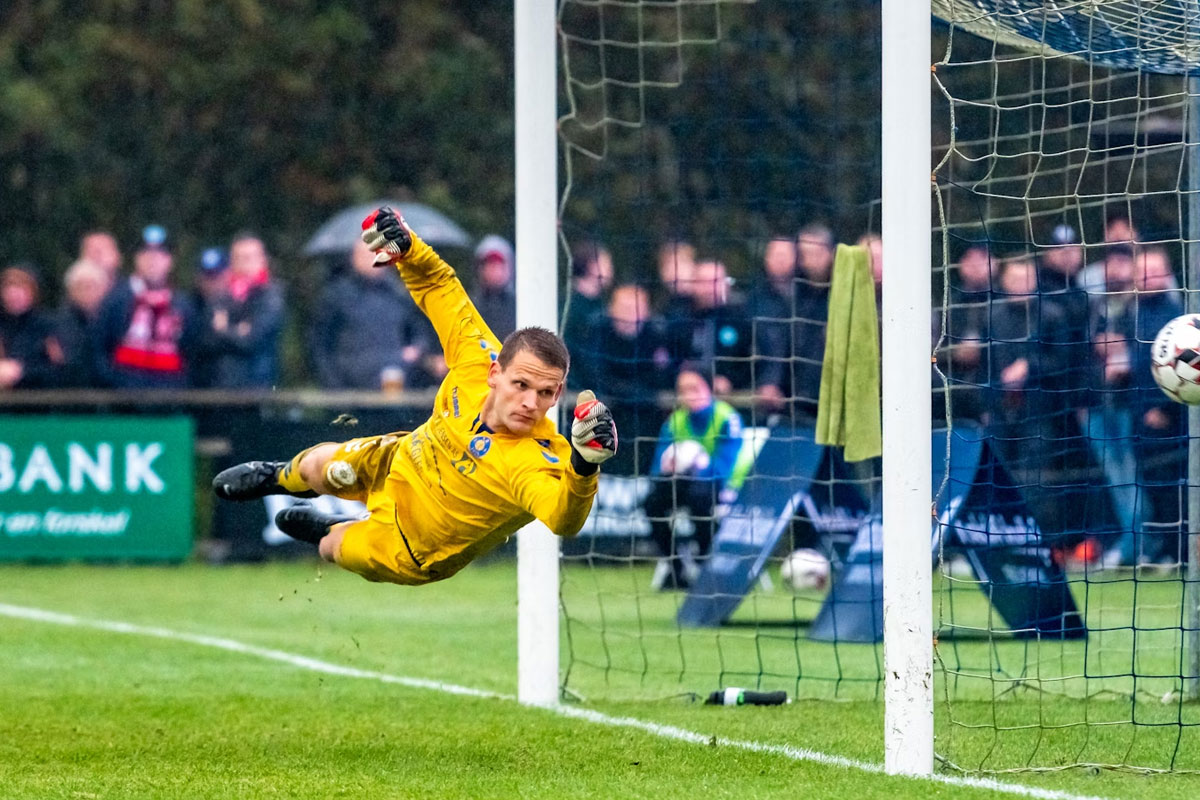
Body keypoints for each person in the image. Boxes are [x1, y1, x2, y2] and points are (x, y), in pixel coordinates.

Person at [213, 207, 618, 586]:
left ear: (558, 394)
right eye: (521, 386)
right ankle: (276, 475)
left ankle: (327, 530)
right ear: (496, 372)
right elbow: (442, 287)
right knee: (321, 464)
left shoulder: (537, 459)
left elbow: (563, 518)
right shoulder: (477, 358)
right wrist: (407, 246)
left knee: (336, 548)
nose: (531, 402)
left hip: (411, 545)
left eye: (546, 393)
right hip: (400, 459)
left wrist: (583, 468)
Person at [645, 365, 750, 589]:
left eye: (694, 387)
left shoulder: (727, 418)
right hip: (684, 482)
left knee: (699, 497)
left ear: (708, 388)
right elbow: (657, 467)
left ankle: (705, 563)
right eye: (682, 389)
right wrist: (669, 465)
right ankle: (676, 567)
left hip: (722, 485)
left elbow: (726, 466)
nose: (688, 394)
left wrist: (699, 466)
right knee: (651, 502)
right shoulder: (675, 421)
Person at [571, 283, 675, 472]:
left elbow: (661, 378)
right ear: (611, 309)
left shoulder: (658, 334)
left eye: (636, 308)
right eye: (625, 308)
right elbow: (590, 373)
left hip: (645, 422)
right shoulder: (596, 331)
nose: (630, 315)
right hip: (603, 421)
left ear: (646, 312)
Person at [311, 237, 433, 391]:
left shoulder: (398, 293)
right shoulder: (337, 294)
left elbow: (418, 331)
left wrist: (416, 350)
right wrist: (333, 384)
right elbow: (320, 343)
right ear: (353, 258)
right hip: (350, 389)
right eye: (366, 255)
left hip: (395, 385)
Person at [93, 226, 197, 388]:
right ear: (136, 259)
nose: (152, 260)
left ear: (170, 261)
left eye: (160, 255)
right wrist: (114, 384)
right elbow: (98, 347)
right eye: (146, 254)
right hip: (123, 399)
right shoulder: (117, 298)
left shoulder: (182, 303)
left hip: (169, 398)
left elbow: (191, 352)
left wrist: (179, 387)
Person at [196, 232, 285, 389]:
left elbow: (252, 340)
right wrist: (238, 331)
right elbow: (206, 339)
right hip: (219, 387)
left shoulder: (271, 295)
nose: (243, 264)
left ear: (262, 260)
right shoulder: (221, 294)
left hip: (256, 388)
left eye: (249, 258)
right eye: (238, 258)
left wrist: (223, 329)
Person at [0, 263, 66, 389]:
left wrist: (21, 372)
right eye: (8, 290)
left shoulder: (48, 326)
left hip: (38, 402)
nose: (13, 296)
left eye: (21, 289)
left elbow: (60, 369)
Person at [56, 258, 112, 387]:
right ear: (70, 292)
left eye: (92, 285)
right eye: (79, 286)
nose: (87, 291)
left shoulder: (116, 322)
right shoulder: (58, 324)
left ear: (105, 289)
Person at [561, 239, 614, 363]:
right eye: (607, 264)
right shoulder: (569, 305)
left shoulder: (604, 303)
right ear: (591, 266)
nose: (611, 269)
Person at [470, 235, 517, 342]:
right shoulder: (471, 306)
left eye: (499, 265)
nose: (494, 270)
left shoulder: (520, 306)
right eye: (489, 265)